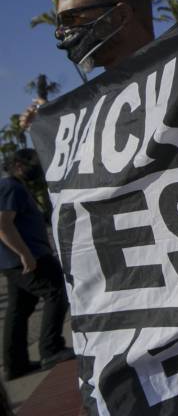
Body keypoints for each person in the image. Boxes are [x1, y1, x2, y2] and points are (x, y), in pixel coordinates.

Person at [22, 0, 178, 416]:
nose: (62, 34)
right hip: (123, 308)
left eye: (72, 18)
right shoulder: (84, 113)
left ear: (120, 15)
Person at [0, 149, 74, 381]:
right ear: (19, 165)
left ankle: (16, 364)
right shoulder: (10, 187)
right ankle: (51, 348)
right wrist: (25, 254)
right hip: (29, 257)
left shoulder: (14, 187)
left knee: (20, 308)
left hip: (16, 259)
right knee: (57, 291)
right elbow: (3, 225)